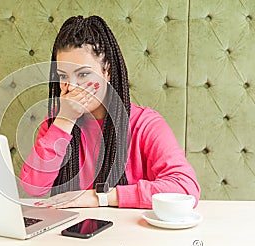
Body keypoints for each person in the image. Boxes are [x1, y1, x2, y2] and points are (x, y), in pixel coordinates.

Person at [19, 15, 200, 209]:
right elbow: (33, 187)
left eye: (83, 74)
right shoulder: (57, 122)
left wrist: (100, 198)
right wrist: (64, 120)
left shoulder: (144, 124)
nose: (70, 87)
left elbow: (185, 187)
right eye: (63, 76)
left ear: (107, 71)